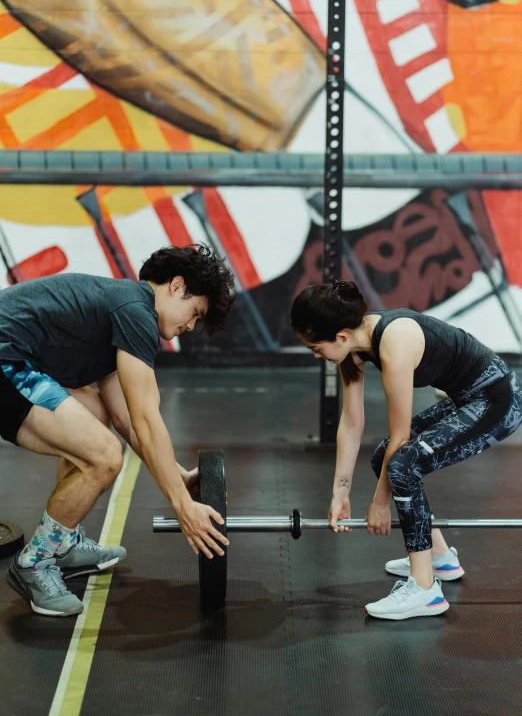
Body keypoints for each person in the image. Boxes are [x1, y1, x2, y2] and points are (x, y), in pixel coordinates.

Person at [2, 244, 234, 616]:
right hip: (5, 358)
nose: (189, 327)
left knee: (95, 416)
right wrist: (182, 505)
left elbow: (128, 419)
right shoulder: (135, 311)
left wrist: (178, 477)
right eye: (194, 313)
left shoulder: (122, 309)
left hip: (15, 359)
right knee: (105, 456)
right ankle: (35, 561)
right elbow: (146, 418)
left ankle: (63, 544)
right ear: (176, 286)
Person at [290, 279, 522, 620]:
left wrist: (380, 503)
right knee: (383, 457)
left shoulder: (394, 342)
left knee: (400, 464)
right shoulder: (353, 343)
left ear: (340, 336)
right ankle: (440, 559)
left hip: (498, 400)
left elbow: (399, 439)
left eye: (315, 347)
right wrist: (340, 491)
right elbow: (352, 421)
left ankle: (425, 589)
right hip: (469, 398)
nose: (315, 355)